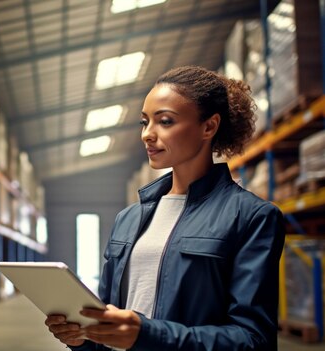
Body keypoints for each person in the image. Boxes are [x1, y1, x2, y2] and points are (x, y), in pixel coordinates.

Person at [45, 66, 285, 350]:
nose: (148, 134)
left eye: (165, 122)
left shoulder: (252, 217)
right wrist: (82, 337)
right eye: (144, 122)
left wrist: (145, 334)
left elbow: (253, 340)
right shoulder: (128, 219)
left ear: (209, 126)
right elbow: (107, 319)